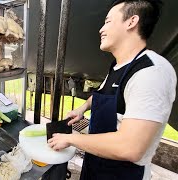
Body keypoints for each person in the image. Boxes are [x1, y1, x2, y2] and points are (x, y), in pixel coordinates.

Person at [48, 0, 177, 179]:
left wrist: (70, 139)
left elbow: (130, 148)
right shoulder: (118, 66)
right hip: (96, 163)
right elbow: (103, 95)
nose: (101, 29)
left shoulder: (151, 72)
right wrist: (82, 108)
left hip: (122, 174)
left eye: (108, 21)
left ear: (131, 22)